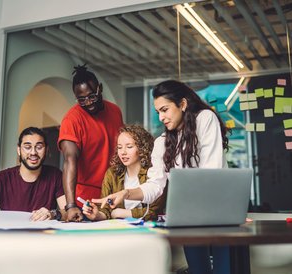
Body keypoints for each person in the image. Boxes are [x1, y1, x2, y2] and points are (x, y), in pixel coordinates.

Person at [93, 80, 231, 274]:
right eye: (158, 112)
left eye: (165, 109)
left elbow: (212, 170)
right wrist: (125, 193)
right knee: (199, 269)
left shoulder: (205, 118)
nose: (161, 117)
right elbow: (155, 186)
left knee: (224, 269)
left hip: (218, 212)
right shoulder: (162, 143)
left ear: (182, 104)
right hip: (189, 216)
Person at [0, 127, 66, 221]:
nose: (33, 152)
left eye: (39, 147)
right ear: (19, 150)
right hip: (8, 239)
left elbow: (67, 212)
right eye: (27, 147)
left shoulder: (55, 176)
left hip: (43, 239)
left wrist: (52, 214)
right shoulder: (1, 178)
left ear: (46, 150)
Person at [58, 64, 123, 222]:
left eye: (92, 96)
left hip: (113, 197)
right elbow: (69, 161)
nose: (88, 103)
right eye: (82, 100)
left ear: (100, 89)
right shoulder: (72, 120)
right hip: (84, 203)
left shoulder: (115, 111)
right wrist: (70, 205)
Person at [82, 124, 166, 221]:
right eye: (119, 147)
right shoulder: (112, 174)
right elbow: (107, 210)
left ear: (142, 148)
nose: (123, 152)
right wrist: (97, 215)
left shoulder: (154, 173)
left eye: (129, 147)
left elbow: (154, 212)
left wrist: (121, 213)